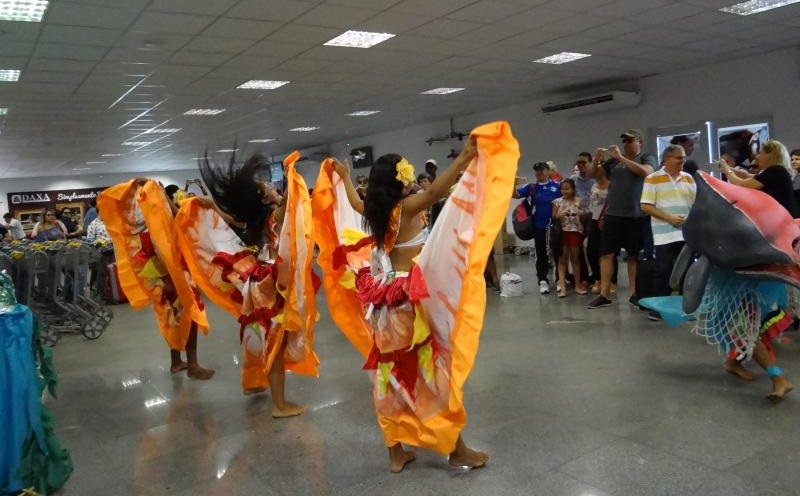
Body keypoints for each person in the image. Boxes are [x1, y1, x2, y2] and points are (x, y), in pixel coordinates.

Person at [315, 122, 518, 473]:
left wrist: (346, 177)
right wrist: (464, 157)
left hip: (382, 304)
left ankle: (396, 452)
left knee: (389, 375)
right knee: (431, 375)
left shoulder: (375, 210)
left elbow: (353, 201)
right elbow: (436, 191)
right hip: (406, 303)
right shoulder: (406, 207)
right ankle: (456, 449)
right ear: (399, 180)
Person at [175, 151, 319, 417]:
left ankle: (255, 383)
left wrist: (211, 204)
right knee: (276, 341)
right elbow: (293, 202)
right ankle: (279, 405)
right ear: (265, 199)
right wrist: (290, 173)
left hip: (259, 278)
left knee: (262, 335)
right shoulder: (275, 215)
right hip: (270, 281)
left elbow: (233, 218)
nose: (272, 189)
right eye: (268, 188)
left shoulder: (257, 218)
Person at [98, 180, 215, 381]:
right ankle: (193, 365)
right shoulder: (158, 220)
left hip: (162, 275)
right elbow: (177, 223)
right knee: (189, 314)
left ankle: (176, 362)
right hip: (172, 274)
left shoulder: (148, 222)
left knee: (172, 316)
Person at [586, 129, 657, 309]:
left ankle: (634, 293)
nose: (626, 144)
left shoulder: (646, 157)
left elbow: (646, 172)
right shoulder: (614, 162)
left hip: (636, 215)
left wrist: (621, 158)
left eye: (630, 141)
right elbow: (592, 174)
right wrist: (596, 160)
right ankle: (604, 294)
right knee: (606, 254)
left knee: (633, 255)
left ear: (639, 142)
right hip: (613, 214)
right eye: (624, 141)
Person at [639, 144, 696, 320]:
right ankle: (660, 308)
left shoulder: (688, 179)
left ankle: (686, 308)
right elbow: (646, 206)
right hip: (664, 235)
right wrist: (669, 218)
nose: (683, 161)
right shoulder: (652, 179)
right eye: (679, 158)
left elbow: (695, 205)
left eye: (684, 158)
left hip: (686, 234)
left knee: (687, 272)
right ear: (667, 159)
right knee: (663, 271)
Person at [513, 162, 561, 294]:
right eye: (537, 171)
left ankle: (559, 279)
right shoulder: (531, 187)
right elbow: (515, 194)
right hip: (538, 226)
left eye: (542, 170)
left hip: (555, 226)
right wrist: (513, 183)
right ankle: (542, 280)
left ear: (548, 171)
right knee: (541, 254)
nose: (539, 173)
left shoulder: (557, 186)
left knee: (558, 253)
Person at [720, 139, 797, 217]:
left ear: (770, 155)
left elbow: (742, 184)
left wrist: (727, 171)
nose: (757, 157)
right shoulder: (778, 171)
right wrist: (728, 168)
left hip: (784, 218)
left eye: (760, 153)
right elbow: (746, 175)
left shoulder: (775, 170)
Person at [551, 178, 588, 297]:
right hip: (562, 233)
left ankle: (577, 285)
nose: (564, 191)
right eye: (562, 189)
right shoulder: (557, 202)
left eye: (567, 189)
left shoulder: (579, 201)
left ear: (573, 189)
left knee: (575, 259)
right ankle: (562, 288)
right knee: (562, 260)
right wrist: (558, 215)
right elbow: (553, 216)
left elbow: (585, 214)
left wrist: (581, 213)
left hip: (575, 232)